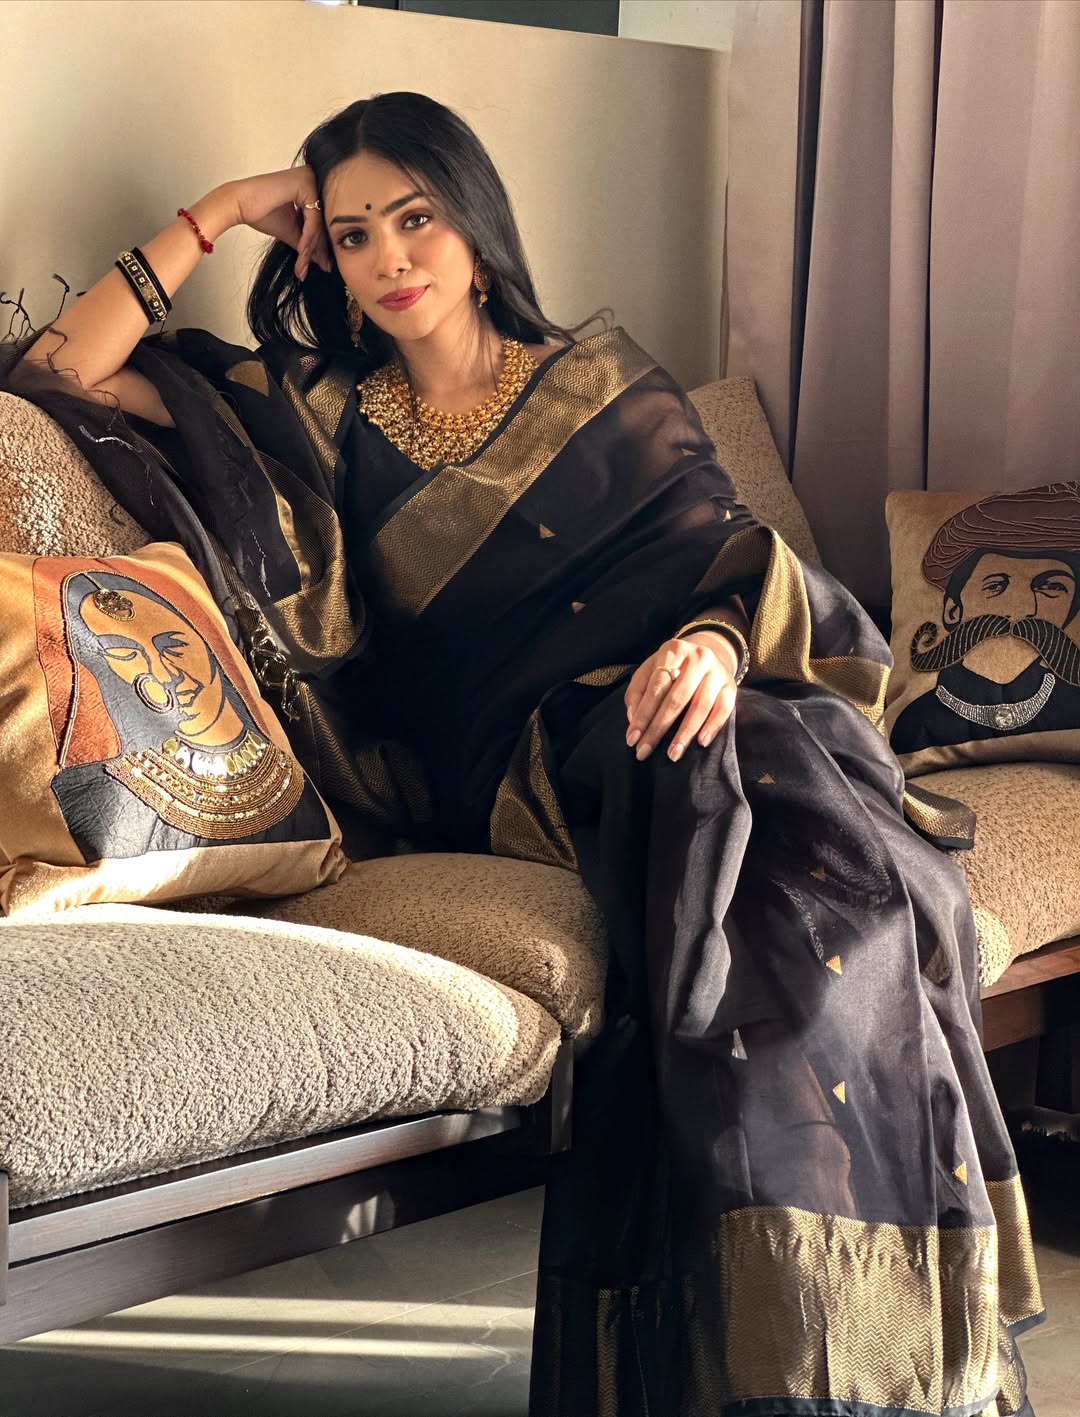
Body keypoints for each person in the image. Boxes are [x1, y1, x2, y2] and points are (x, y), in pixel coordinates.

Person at [9, 91, 1042, 1417]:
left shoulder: (604, 386)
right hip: (531, 763)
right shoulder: (320, 414)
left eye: (417, 218)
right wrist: (220, 210)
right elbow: (55, 372)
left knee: (776, 790)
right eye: (355, 231)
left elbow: (733, 564)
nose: (392, 258)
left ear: (475, 223)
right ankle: (820, 1358)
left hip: (698, 702)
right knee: (730, 785)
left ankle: (853, 1355)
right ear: (322, 249)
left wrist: (718, 646)